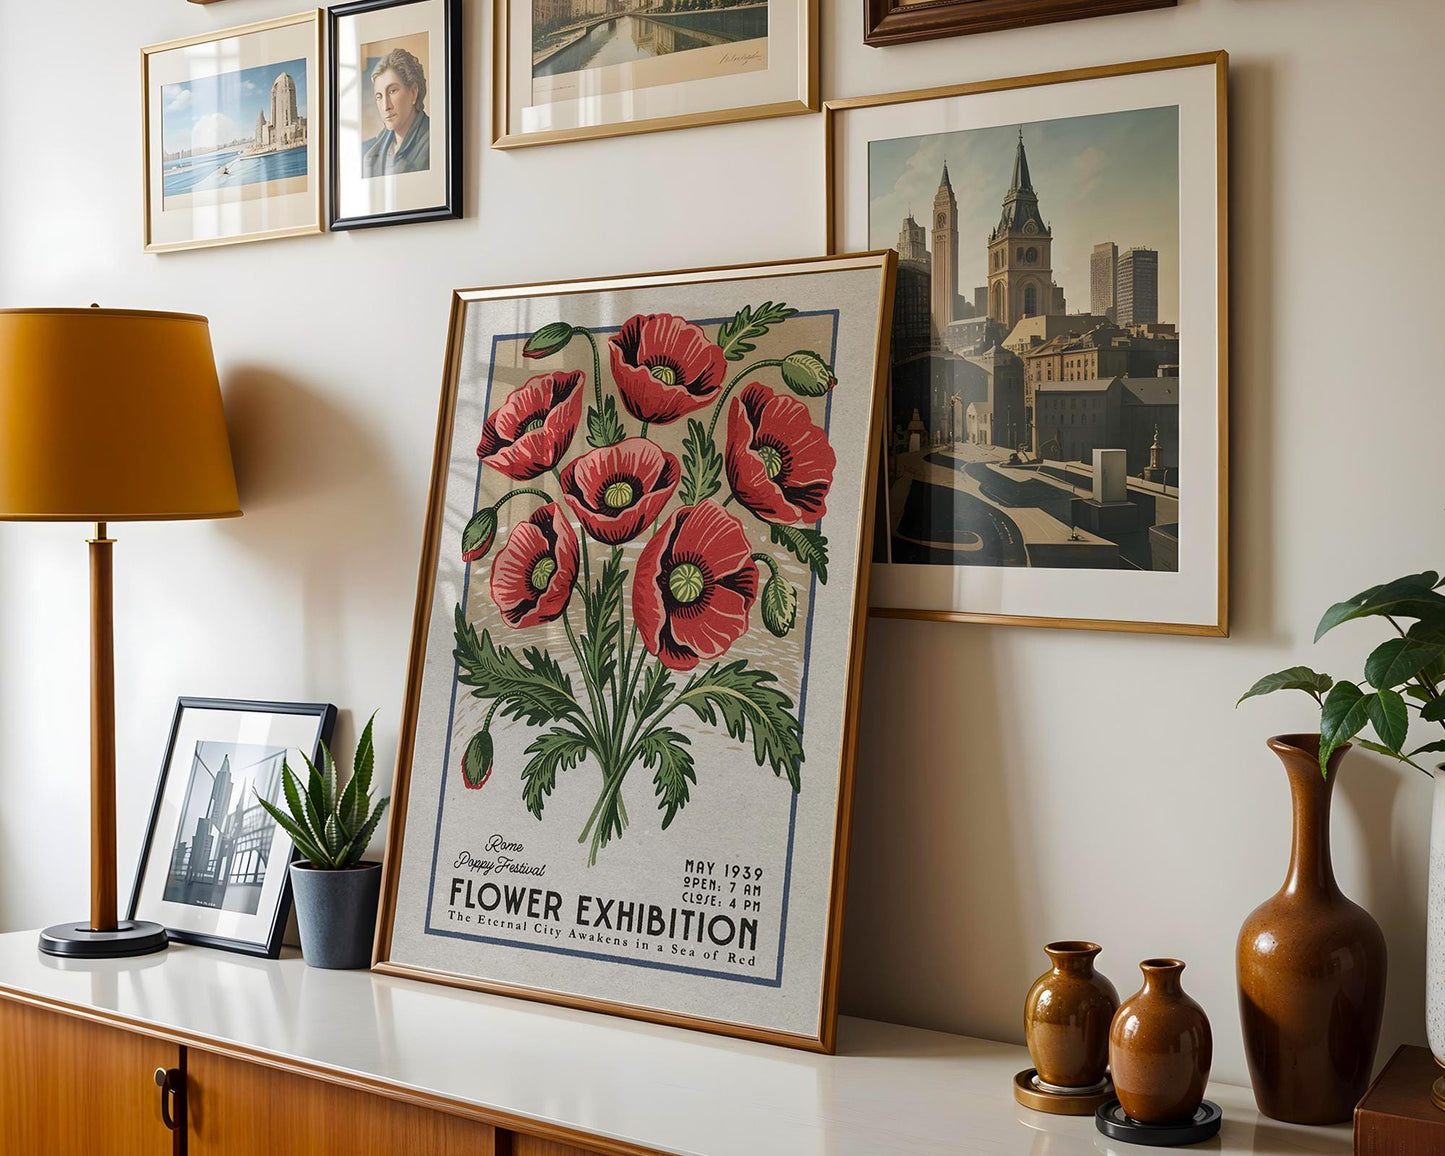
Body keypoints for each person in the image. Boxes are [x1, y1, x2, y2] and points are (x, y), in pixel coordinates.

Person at [362, 48, 430, 177]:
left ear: (413, 92)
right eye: (379, 96)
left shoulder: (434, 142)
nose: (386, 106)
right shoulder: (369, 151)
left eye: (392, 91)